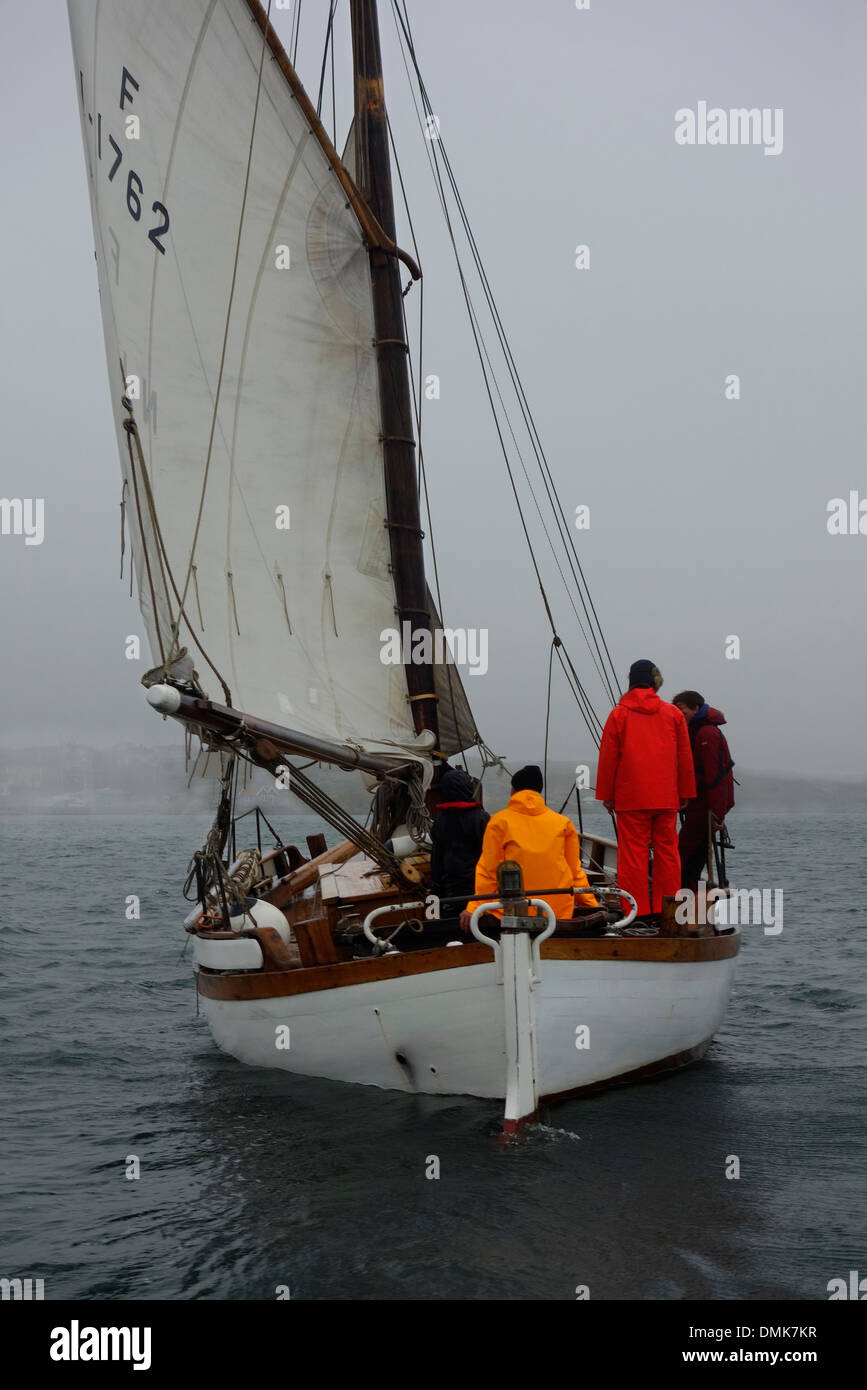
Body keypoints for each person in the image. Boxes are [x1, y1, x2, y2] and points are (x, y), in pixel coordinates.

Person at [596, 660, 695, 925]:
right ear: (654, 682)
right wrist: (684, 791)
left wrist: (607, 794)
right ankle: (670, 913)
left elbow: (608, 758)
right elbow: (684, 757)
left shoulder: (619, 714)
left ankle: (636, 913)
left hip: (631, 798)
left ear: (631, 682)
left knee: (633, 857)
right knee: (668, 853)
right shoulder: (673, 714)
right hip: (665, 797)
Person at [460, 764, 597, 931]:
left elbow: (488, 871)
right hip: (557, 915)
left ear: (513, 790)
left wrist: (474, 908)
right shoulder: (563, 823)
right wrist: (594, 908)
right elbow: (575, 873)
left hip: (512, 913)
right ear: (539, 791)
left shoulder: (499, 822)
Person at [671, 691, 736, 894]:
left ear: (696, 708)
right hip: (698, 805)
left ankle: (684, 901)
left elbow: (715, 776)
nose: (679, 714)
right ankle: (687, 899)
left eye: (682, 709)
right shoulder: (695, 730)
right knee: (692, 853)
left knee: (687, 854)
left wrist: (717, 812)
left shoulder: (706, 733)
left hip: (705, 808)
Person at [429, 765, 490, 917]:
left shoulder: (440, 823)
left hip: (450, 895)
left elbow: (436, 862)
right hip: (477, 894)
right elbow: (491, 858)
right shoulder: (482, 819)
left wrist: (435, 893)